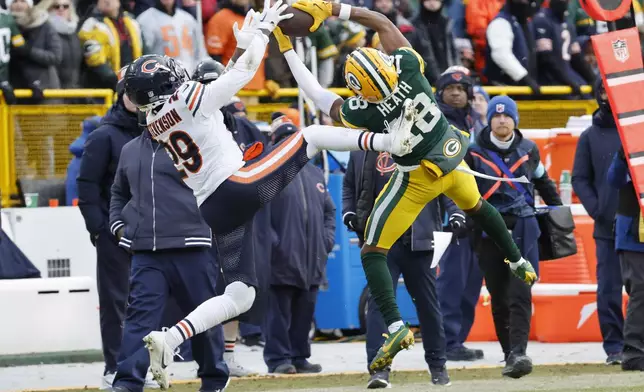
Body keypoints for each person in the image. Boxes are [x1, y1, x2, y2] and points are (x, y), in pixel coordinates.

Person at [122, 3, 413, 387]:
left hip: (214, 207)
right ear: (164, 85)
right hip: (235, 186)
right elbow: (238, 77)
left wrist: (243, 45)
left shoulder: (156, 122)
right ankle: (394, 141)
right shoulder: (187, 97)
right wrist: (259, 34)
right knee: (308, 136)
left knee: (241, 294)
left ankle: (170, 337)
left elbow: (221, 84)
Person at [275, 0, 537, 372]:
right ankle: (517, 259)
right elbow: (381, 20)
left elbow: (317, 95)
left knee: (372, 250)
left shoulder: (363, 110)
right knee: (479, 208)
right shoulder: (411, 69)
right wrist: (336, 8)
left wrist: (287, 49)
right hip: (451, 159)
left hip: (417, 180)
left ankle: (396, 326)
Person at [108, 87, 229, 392]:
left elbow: (219, 182)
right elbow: (118, 193)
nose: (150, 112)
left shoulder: (191, 143)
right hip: (147, 250)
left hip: (193, 245)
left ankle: (214, 379)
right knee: (139, 319)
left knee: (203, 319)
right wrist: (118, 226)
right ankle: (127, 382)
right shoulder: (130, 150)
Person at [464, 96, 562, 378]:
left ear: (514, 119)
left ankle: (519, 352)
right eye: (496, 116)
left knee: (521, 291)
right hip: (488, 228)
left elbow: (543, 181)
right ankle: (509, 353)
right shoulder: (473, 152)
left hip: (524, 226)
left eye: (507, 115)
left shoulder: (530, 149)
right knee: (498, 295)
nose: (502, 120)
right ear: (490, 120)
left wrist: (558, 212)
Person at [343, 149, 451, 387]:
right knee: (378, 305)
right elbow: (349, 186)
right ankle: (379, 370)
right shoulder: (362, 149)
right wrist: (348, 211)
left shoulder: (425, 143)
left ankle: (438, 366)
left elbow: (446, 180)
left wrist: (454, 211)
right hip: (380, 242)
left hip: (418, 241)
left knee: (427, 305)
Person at [76, 70, 143, 388]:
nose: (138, 98)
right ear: (121, 94)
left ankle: (143, 364)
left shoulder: (154, 131)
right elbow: (86, 185)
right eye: (132, 92)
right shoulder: (104, 135)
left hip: (150, 232)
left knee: (147, 301)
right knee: (116, 300)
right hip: (114, 233)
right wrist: (99, 229)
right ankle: (114, 364)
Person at [263, 115, 336, 375]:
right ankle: (278, 358)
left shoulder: (314, 171)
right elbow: (258, 215)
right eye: (283, 139)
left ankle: (299, 356)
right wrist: (274, 244)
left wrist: (326, 241)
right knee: (278, 314)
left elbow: (329, 212)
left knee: (305, 310)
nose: (289, 143)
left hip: (312, 256)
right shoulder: (266, 172)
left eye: (293, 138)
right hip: (281, 257)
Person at [433, 69, 484, 361]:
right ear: (440, 93)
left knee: (470, 283)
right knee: (450, 283)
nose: (455, 93)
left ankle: (458, 340)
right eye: (449, 88)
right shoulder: (435, 126)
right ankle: (446, 342)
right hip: (447, 217)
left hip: (475, 213)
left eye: (460, 88)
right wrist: (453, 210)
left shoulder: (475, 124)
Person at [572, 79, 624, 365]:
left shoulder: (638, 129)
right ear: (597, 94)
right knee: (609, 289)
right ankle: (615, 346)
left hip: (639, 223)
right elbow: (579, 178)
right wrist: (598, 210)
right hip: (607, 227)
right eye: (603, 89)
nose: (608, 94)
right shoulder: (589, 136)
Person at [607, 147, 644, 372]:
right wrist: (622, 154)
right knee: (640, 289)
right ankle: (633, 350)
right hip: (632, 231)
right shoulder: (629, 143)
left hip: (630, 230)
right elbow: (614, 179)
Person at [136, 0, 209, 73]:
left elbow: (201, 54)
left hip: (191, 75)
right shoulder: (144, 21)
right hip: (162, 77)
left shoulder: (188, 19)